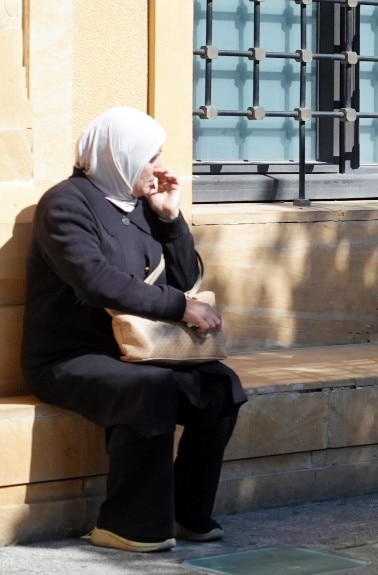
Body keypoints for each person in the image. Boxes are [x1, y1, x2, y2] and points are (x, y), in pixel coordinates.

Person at [21, 107, 245, 553]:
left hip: (134, 351)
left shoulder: (142, 206)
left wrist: (169, 220)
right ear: (119, 156)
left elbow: (184, 281)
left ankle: (187, 513)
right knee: (150, 388)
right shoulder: (65, 204)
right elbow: (95, 280)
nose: (160, 168)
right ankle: (129, 525)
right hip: (71, 357)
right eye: (151, 156)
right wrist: (179, 307)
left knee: (220, 386)